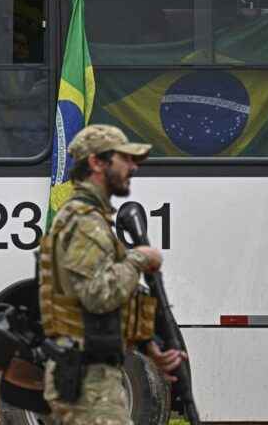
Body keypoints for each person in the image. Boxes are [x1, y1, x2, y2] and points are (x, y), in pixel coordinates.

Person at [39, 124, 187, 425]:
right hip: (88, 384)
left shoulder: (93, 219)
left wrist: (149, 347)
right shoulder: (84, 223)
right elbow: (97, 295)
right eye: (125, 159)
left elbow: (101, 307)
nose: (133, 167)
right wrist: (137, 259)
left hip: (92, 378)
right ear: (97, 162)